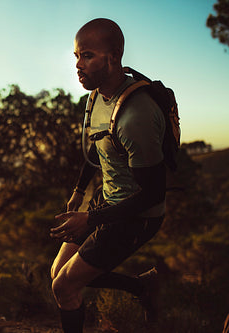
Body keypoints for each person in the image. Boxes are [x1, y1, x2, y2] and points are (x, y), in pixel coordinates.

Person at [49, 18, 167, 333]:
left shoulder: (135, 116)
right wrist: (79, 191)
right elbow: (98, 149)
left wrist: (90, 219)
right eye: (76, 56)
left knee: (64, 288)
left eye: (86, 55)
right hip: (107, 202)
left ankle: (144, 289)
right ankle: (142, 288)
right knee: (57, 272)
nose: (77, 64)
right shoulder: (98, 95)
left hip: (137, 215)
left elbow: (153, 195)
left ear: (113, 57)